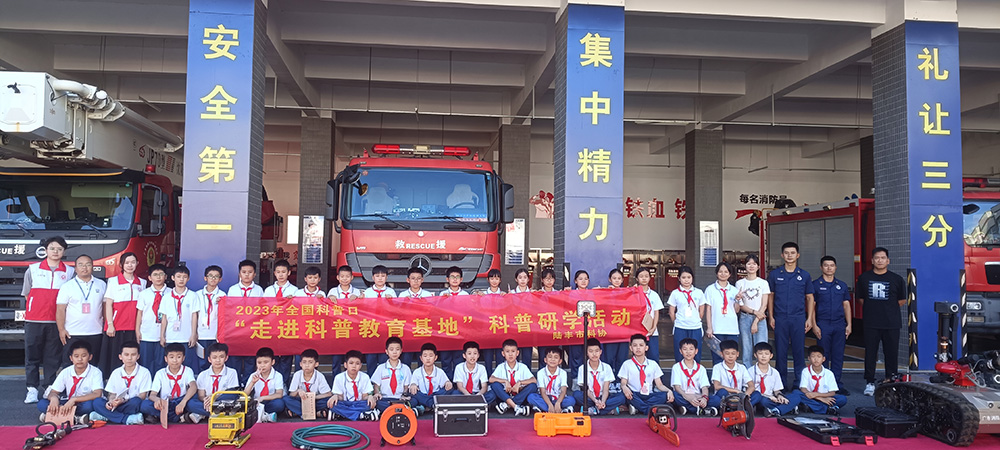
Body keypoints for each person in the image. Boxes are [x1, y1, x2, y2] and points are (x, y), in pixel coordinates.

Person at [24, 236, 75, 404]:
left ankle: (49, 386)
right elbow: (27, 294)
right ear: (45, 250)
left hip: (56, 322)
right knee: (32, 355)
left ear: (64, 251)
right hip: (34, 320)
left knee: (52, 356)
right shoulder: (33, 269)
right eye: (52, 248)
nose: (55, 251)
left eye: (59, 249)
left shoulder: (69, 272)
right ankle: (31, 388)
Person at [856, 247, 906, 396]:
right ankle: (870, 382)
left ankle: (891, 380)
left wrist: (887, 310)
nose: (880, 260)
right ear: (872, 260)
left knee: (891, 353)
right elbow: (860, 299)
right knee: (870, 353)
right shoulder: (864, 278)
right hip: (871, 322)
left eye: (883, 258)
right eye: (877, 258)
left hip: (891, 323)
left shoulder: (897, 279)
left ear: (888, 261)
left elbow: (902, 300)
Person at [767, 242, 815, 390]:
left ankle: (799, 384)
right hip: (780, 317)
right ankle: (780, 384)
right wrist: (771, 316)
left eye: (792, 253)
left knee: (798, 351)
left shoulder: (804, 275)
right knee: (780, 351)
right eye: (786, 253)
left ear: (798, 255)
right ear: (782, 255)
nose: (789, 255)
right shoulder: (775, 275)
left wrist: (809, 318)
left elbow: (810, 298)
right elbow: (770, 297)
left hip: (798, 318)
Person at [100, 252, 146, 376]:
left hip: (134, 327)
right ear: (121, 265)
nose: (130, 265)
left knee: (132, 357)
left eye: (133, 262)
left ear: (137, 264)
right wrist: (110, 324)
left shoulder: (142, 283)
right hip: (117, 326)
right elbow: (108, 304)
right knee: (115, 357)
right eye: (127, 263)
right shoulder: (113, 281)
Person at [56, 254, 107, 368]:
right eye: (81, 265)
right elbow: (60, 310)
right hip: (72, 332)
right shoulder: (67, 286)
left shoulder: (101, 284)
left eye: (88, 264)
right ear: (75, 268)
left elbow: (105, 307)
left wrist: (106, 326)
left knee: (93, 364)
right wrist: (61, 330)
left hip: (95, 332)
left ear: (92, 267)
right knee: (70, 365)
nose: (84, 267)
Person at [812, 255, 852, 395]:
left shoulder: (842, 285)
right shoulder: (815, 285)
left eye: (832, 265)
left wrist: (849, 324)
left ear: (835, 267)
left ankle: (836, 384)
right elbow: (812, 306)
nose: (829, 268)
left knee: (838, 355)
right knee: (823, 355)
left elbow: (846, 305)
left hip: (839, 324)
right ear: (821, 267)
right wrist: (814, 325)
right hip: (823, 324)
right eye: (826, 265)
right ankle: (823, 384)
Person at [37, 339, 103, 423]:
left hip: (83, 402)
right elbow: (53, 392)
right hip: (68, 401)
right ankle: (75, 418)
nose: (80, 359)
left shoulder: (95, 372)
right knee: (42, 404)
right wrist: (54, 398)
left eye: (83, 356)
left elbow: (97, 394)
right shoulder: (66, 372)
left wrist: (75, 399)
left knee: (89, 406)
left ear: (90, 357)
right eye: (76, 356)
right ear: (71, 358)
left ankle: (54, 415)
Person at [90, 341, 149, 425]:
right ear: (120, 356)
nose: (129, 358)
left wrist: (123, 400)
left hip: (130, 404)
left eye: (133, 355)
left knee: (136, 402)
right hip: (116, 404)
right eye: (126, 355)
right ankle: (126, 419)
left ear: (138, 356)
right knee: (97, 402)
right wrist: (111, 402)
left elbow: (142, 396)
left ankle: (107, 416)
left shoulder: (144, 372)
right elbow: (112, 394)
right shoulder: (116, 372)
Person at [226, 259, 264, 383]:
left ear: (255, 274)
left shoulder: (259, 290)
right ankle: (235, 386)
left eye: (250, 272)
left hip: (252, 331)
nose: (247, 275)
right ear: (239, 274)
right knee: (235, 360)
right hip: (236, 331)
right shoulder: (232, 289)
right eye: (244, 272)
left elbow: (263, 310)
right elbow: (229, 310)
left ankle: (248, 386)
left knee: (250, 360)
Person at [140, 343, 198, 423]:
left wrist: (183, 402)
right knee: (144, 405)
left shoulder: (188, 371)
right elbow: (152, 395)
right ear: (166, 359)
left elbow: (193, 386)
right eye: (171, 357)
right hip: (165, 404)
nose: (175, 360)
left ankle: (162, 416)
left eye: (178, 357)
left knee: (192, 402)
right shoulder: (160, 373)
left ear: (183, 358)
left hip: (181, 401)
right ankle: (180, 417)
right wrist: (157, 400)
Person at [619, 333, 674, 415]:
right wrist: (624, 387)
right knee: (625, 396)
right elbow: (623, 383)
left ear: (646, 348)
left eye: (641, 345)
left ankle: (639, 408)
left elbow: (659, 385)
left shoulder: (653, 364)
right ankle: (650, 409)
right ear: (631, 348)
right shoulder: (626, 364)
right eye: (635, 345)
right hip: (634, 394)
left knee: (665, 395)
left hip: (649, 395)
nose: (638, 348)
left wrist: (669, 391)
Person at [158, 266, 199, 371]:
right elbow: (164, 318)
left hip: (186, 337)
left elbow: (194, 316)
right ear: (173, 278)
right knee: (172, 365)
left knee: (188, 365)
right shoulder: (166, 297)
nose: (181, 279)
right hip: (171, 336)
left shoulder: (193, 296)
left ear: (188, 279)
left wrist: (193, 334)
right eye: (179, 276)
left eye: (184, 277)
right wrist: (162, 335)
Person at [575, 338, 626, 415]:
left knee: (621, 397)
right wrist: (595, 401)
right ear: (586, 353)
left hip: (603, 396)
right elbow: (586, 389)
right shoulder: (582, 368)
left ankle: (594, 409)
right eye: (591, 351)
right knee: (576, 395)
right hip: (590, 397)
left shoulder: (606, 367)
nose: (594, 354)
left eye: (596, 351)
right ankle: (607, 409)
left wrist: (603, 401)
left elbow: (606, 389)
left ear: (600, 352)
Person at [263, 260, 295, 382]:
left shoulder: (295, 290)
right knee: (273, 357)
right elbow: (263, 309)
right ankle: (273, 384)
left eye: (283, 272)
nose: (281, 275)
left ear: (289, 273)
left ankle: (284, 384)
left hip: (288, 328)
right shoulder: (268, 290)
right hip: (271, 328)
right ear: (274, 273)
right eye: (278, 272)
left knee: (286, 359)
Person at [735, 255, 770, 368]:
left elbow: (764, 304)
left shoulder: (763, 283)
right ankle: (747, 374)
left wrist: (756, 321)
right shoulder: (740, 283)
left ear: (758, 267)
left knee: (761, 348)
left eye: (754, 264)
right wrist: (754, 312)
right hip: (745, 317)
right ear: (745, 266)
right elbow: (741, 305)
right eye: (749, 263)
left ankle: (761, 373)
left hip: (760, 319)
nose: (751, 266)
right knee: (746, 348)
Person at [667, 266, 706, 365]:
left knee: (696, 352)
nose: (686, 280)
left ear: (692, 278)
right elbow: (671, 311)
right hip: (680, 327)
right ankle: (680, 372)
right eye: (683, 277)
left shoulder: (699, 292)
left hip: (695, 327)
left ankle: (695, 372)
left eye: (689, 277)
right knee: (680, 352)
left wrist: (695, 320)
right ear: (679, 278)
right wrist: (677, 322)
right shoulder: (675, 293)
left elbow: (701, 310)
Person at [670, 338, 718, 416]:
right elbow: (677, 387)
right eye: (685, 349)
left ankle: (689, 408)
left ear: (696, 351)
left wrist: (704, 398)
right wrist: (688, 397)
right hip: (684, 396)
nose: (688, 352)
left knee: (716, 400)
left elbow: (704, 387)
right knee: (675, 395)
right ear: (680, 351)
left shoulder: (701, 368)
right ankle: (700, 409)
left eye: (691, 349)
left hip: (698, 396)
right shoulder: (676, 367)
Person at [752, 342, 802, 417]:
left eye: (766, 354)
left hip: (773, 399)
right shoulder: (750, 371)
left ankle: (775, 410)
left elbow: (777, 390)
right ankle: (788, 408)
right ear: (755, 355)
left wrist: (779, 396)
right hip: (761, 399)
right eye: (760, 353)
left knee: (796, 397)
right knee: (762, 400)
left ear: (771, 356)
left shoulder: (775, 372)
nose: (763, 356)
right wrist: (768, 397)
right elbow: (750, 391)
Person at [328, 350, 379, 421]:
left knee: (369, 404)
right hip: (345, 403)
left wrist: (369, 397)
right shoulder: (339, 377)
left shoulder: (365, 377)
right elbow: (341, 397)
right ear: (345, 365)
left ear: (360, 366)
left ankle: (342, 415)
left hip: (359, 403)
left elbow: (364, 396)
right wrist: (335, 396)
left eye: (357, 364)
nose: (354, 366)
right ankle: (361, 415)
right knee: (334, 404)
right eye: (351, 363)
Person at [135, 264, 168, 375]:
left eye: (161, 274)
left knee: (161, 363)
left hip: (165, 334)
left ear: (166, 276)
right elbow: (139, 313)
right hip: (146, 333)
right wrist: (137, 331)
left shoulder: (171, 293)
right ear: (149, 278)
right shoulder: (144, 294)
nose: (158, 277)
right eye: (155, 274)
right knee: (146, 363)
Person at [488, 339, 536, 416]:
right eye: (507, 352)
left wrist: (520, 383)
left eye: (513, 351)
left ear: (517, 353)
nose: (510, 354)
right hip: (504, 396)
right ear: (503, 353)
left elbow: (534, 380)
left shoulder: (522, 366)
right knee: (495, 385)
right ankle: (516, 407)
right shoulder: (501, 367)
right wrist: (505, 381)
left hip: (519, 396)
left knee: (533, 386)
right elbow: (491, 379)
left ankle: (507, 405)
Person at [705, 262, 739, 366]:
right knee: (717, 357)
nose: (723, 274)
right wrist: (709, 327)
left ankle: (730, 376)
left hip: (732, 328)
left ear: (730, 274)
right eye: (720, 271)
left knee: (731, 357)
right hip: (717, 328)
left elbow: (737, 310)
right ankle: (717, 376)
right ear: (716, 273)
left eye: (726, 272)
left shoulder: (734, 290)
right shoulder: (710, 289)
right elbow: (708, 309)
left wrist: (737, 300)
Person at [363, 265, 395, 376]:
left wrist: (391, 301)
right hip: (371, 328)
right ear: (373, 277)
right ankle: (371, 382)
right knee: (371, 358)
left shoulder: (391, 292)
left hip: (385, 329)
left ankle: (383, 381)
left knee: (383, 358)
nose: (380, 278)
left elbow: (395, 310)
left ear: (386, 277)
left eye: (383, 276)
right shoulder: (367, 292)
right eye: (377, 276)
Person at [194, 342, 239, 421]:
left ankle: (203, 413)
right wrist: (207, 401)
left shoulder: (232, 372)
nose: (218, 360)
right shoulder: (203, 374)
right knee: (190, 403)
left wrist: (215, 397)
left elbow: (232, 393)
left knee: (233, 395)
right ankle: (216, 411)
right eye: (214, 357)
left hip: (224, 401)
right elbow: (201, 395)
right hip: (207, 402)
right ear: (209, 359)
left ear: (226, 358)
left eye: (221, 357)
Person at [439, 266, 469, 380]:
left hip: (460, 333)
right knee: (445, 360)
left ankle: (458, 383)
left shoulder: (466, 295)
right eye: (452, 277)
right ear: (447, 279)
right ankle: (447, 383)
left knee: (458, 359)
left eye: (457, 277)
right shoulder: (442, 294)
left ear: (461, 279)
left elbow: (468, 312)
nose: (455, 279)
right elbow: (438, 312)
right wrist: (442, 300)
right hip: (446, 332)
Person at [407, 342, 454, 415]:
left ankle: (425, 406)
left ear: (435, 358)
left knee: (450, 390)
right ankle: (432, 404)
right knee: (413, 394)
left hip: (434, 396)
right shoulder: (417, 372)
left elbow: (447, 384)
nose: (428, 358)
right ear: (421, 358)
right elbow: (413, 385)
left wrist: (448, 383)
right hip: (422, 395)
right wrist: (413, 385)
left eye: (431, 356)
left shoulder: (440, 371)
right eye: (425, 356)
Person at [284, 349, 332, 418]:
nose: (307, 365)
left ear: (316, 364)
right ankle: (315, 413)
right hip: (301, 401)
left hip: (315, 401)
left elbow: (328, 394)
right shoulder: (297, 374)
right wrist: (298, 391)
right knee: (286, 399)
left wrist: (313, 397)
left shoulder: (319, 376)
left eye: (310, 362)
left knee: (329, 400)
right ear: (300, 364)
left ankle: (299, 412)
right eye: (304, 362)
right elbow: (291, 394)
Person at [798, 345, 847, 415]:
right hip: (810, 397)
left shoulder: (829, 373)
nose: (816, 359)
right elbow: (803, 389)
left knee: (842, 399)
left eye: (819, 356)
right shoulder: (805, 371)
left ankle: (812, 407)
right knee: (797, 394)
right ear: (809, 358)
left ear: (823, 359)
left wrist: (817, 395)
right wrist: (820, 398)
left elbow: (832, 392)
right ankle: (827, 409)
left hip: (825, 396)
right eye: (813, 356)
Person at [710, 340, 759, 406]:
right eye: (727, 353)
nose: (730, 356)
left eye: (733, 353)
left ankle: (742, 405)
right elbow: (717, 386)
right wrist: (735, 391)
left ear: (737, 354)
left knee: (757, 394)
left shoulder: (742, 367)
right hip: (725, 396)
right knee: (720, 393)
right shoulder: (717, 367)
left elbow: (751, 385)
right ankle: (739, 406)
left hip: (739, 397)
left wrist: (745, 395)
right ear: (721, 354)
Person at [194, 265, 225, 372]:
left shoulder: (223, 295)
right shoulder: (197, 295)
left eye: (216, 276)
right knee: (202, 362)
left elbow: (224, 317)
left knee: (216, 361)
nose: (213, 278)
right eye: (210, 276)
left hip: (215, 335)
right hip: (201, 334)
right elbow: (194, 315)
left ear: (220, 279)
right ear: (205, 278)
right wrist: (194, 333)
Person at [398, 268, 431, 365]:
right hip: (407, 331)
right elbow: (398, 313)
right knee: (406, 358)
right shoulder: (402, 295)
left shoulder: (428, 295)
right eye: (413, 278)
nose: (416, 281)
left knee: (423, 357)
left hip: (422, 330)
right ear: (408, 280)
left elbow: (431, 313)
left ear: (422, 280)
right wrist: (404, 303)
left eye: (418, 278)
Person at [371, 337, 412, 411]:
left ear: (401, 351)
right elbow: (376, 386)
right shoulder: (381, 368)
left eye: (397, 349)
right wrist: (377, 393)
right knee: (377, 403)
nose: (394, 352)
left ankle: (391, 409)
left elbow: (406, 387)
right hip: (385, 399)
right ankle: (399, 409)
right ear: (386, 351)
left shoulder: (405, 368)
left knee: (412, 401)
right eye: (391, 349)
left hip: (400, 399)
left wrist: (404, 395)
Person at [529, 347, 575, 413]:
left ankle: (545, 408)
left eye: (556, 357)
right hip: (545, 399)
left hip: (558, 398)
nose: (552, 359)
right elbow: (542, 391)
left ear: (560, 361)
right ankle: (557, 409)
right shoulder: (540, 372)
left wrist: (558, 402)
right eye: (550, 357)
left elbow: (563, 390)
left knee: (571, 400)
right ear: (545, 360)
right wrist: (549, 404)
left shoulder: (563, 373)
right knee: (531, 397)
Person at [634, 267, 664, 368]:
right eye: (641, 276)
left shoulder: (654, 295)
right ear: (636, 278)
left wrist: (653, 327)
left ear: (650, 278)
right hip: (637, 330)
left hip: (651, 330)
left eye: (646, 276)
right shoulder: (633, 294)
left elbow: (656, 312)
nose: (644, 278)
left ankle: (655, 376)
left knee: (653, 355)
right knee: (638, 355)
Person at [245, 347, 284, 422]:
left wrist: (263, 398)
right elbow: (245, 393)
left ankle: (261, 414)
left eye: (266, 362)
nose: (262, 365)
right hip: (257, 402)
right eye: (259, 363)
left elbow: (279, 394)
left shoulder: (278, 375)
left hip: (270, 400)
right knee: (247, 405)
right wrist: (252, 382)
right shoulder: (253, 375)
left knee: (279, 404)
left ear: (272, 362)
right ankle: (266, 416)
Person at [602, 269, 628, 375]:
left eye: (619, 278)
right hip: (610, 331)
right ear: (610, 279)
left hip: (624, 331)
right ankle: (609, 380)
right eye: (614, 278)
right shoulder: (605, 293)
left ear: (622, 280)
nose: (617, 280)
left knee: (621, 357)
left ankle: (619, 380)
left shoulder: (627, 293)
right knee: (609, 357)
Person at [564, 270, 590, 380]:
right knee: (576, 356)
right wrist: (565, 293)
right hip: (575, 329)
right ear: (575, 281)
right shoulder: (570, 294)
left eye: (586, 279)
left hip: (591, 330)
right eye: (580, 279)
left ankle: (588, 380)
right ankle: (575, 379)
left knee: (590, 355)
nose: (583, 281)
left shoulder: (593, 294)